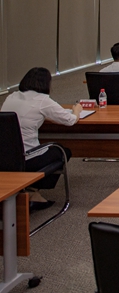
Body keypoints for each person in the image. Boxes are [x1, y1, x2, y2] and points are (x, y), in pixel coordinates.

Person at [1, 67, 80, 209]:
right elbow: (70, 120)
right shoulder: (43, 100)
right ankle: (33, 190)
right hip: (27, 159)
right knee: (63, 151)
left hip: (5, 158)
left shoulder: (11, 97)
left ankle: (28, 190)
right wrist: (77, 110)